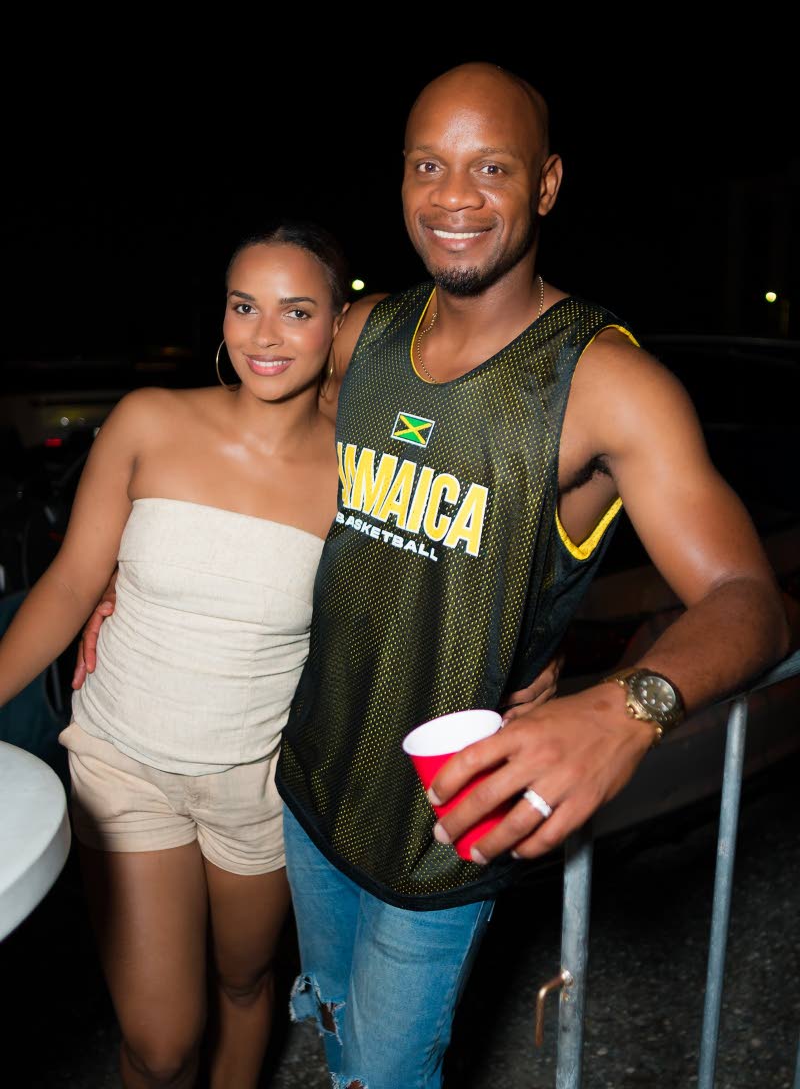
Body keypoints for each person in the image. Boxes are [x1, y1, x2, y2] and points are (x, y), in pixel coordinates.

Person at [81, 64, 790, 1089]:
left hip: (444, 828)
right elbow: (236, 441)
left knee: (384, 1070)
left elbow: (746, 598)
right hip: (307, 784)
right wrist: (128, 571)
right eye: (427, 165)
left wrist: (620, 710)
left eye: (487, 167)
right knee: (323, 1019)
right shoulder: (361, 334)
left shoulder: (605, 383)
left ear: (544, 184)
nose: (452, 196)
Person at [0, 222, 352, 1089]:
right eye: (245, 306)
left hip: (258, 783)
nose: (265, 335)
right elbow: (73, 582)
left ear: (337, 325)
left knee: (244, 983)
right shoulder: (150, 419)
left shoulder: (361, 471)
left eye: (297, 311)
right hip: (125, 765)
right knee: (160, 1046)